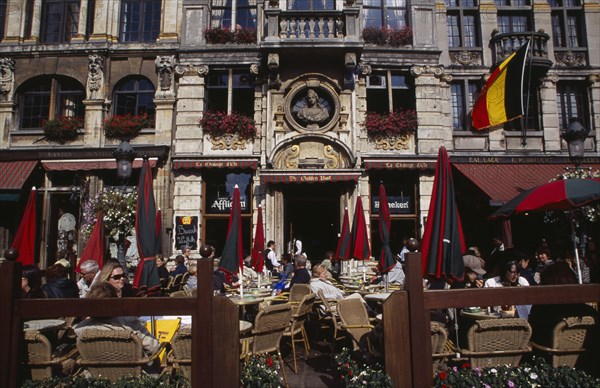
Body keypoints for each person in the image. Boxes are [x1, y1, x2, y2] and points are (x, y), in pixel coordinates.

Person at [528, 261, 599, 369]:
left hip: (548, 362)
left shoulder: (541, 311)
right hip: (586, 363)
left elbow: (532, 336)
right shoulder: (589, 313)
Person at [75, 282, 160, 358]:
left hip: (94, 372)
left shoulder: (81, 328)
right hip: (135, 371)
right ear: (115, 302)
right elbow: (154, 347)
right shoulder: (130, 323)